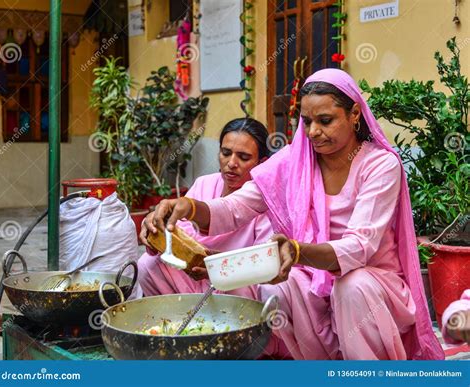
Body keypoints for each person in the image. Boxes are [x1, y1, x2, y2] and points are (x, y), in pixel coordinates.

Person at [146, 69, 444, 360]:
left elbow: (360, 247)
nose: (313, 131)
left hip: (372, 281)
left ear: (354, 114)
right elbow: (237, 207)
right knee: (281, 286)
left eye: (325, 121)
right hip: (310, 276)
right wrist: (190, 207)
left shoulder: (379, 165)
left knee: (351, 286)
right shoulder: (294, 161)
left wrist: (298, 252)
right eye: (307, 122)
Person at [138, 118, 274, 299]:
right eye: (226, 153)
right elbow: (181, 234)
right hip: (193, 275)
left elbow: (264, 262)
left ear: (262, 162)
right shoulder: (205, 183)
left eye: (243, 157)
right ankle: (177, 321)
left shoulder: (264, 200)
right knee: (148, 264)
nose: (231, 163)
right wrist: (157, 230)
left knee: (238, 287)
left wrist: (219, 266)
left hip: (232, 278)